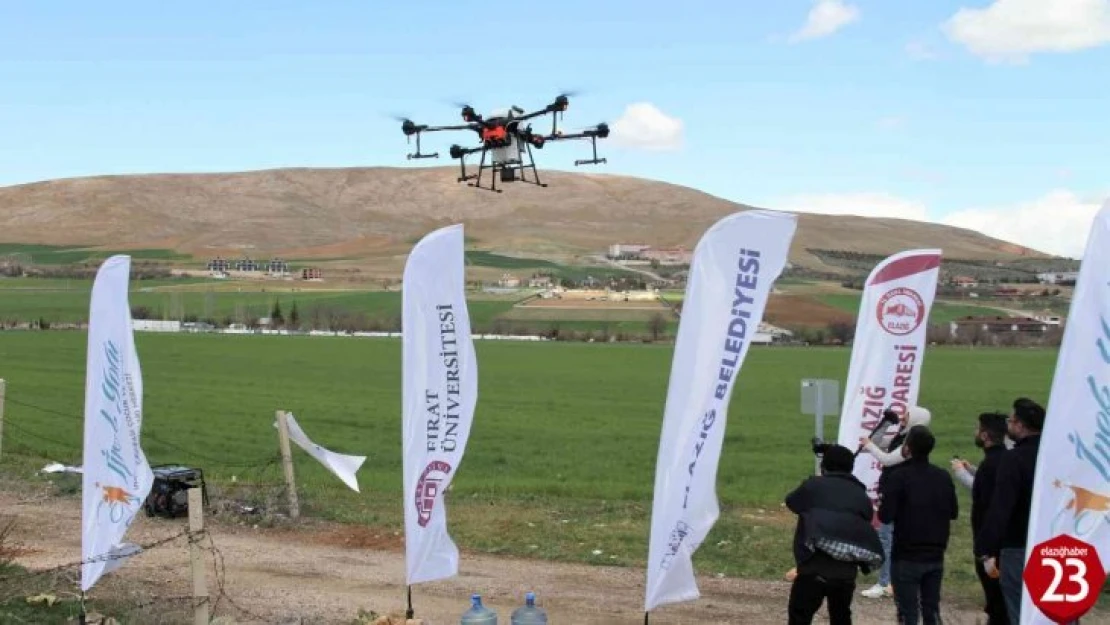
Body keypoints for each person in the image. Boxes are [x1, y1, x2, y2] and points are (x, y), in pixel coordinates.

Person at [785, 444, 885, 625]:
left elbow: (792, 502)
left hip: (813, 568)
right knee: (841, 617)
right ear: (851, 467)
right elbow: (867, 517)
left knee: (799, 616)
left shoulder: (814, 485)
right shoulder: (861, 494)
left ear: (824, 466)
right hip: (845, 573)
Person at [877, 425, 959, 625]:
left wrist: (884, 502)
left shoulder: (899, 476)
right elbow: (954, 512)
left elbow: (886, 516)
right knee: (931, 609)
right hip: (935, 553)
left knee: (908, 612)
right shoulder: (942, 476)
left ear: (907, 448)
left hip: (906, 554)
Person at [975, 397, 1045, 625]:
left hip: (1017, 545)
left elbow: (1001, 507)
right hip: (1053, 543)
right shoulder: (1051, 455)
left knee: (1018, 611)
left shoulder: (1014, 459)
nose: (1009, 426)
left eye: (1012, 421)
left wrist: (985, 547)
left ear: (1021, 426)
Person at [857, 404, 933, 600]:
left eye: (906, 415)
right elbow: (879, 442)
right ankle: (893, 581)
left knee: (885, 538)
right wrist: (885, 425)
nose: (902, 418)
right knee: (893, 538)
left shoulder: (910, 443)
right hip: (900, 494)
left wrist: (868, 445)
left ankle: (884, 582)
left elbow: (888, 459)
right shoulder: (904, 438)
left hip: (896, 496)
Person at [951, 412, 1010, 625]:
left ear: (985, 435)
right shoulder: (1004, 458)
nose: (975, 433)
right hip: (1000, 541)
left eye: (978, 429)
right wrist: (972, 469)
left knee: (997, 600)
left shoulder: (992, 463)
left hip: (990, 544)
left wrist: (960, 473)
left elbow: (983, 492)